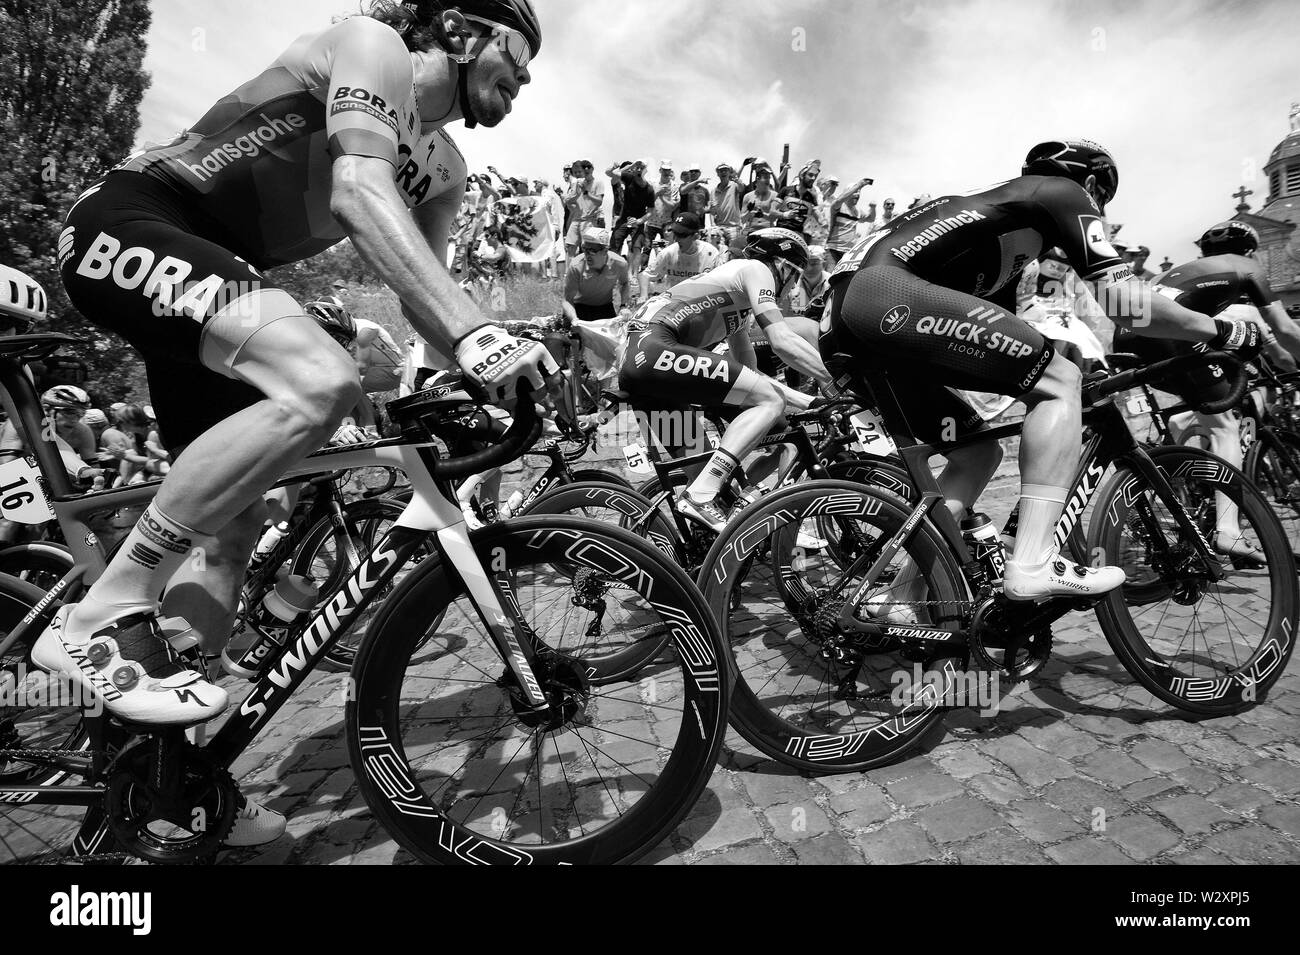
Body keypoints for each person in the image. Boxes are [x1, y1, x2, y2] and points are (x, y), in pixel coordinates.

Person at [38, 0, 555, 847]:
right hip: (133, 219)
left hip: (217, 278)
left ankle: (172, 781)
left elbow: (420, 286)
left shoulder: (448, 167)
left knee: (232, 530)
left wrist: (479, 371)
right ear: (459, 30)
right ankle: (104, 609)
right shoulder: (372, 45)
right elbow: (357, 191)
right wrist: (476, 334)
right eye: (517, 50)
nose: (526, 76)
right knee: (322, 377)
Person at [821, 139, 1267, 606]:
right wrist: (1224, 331)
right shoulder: (1060, 190)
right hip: (886, 295)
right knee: (1060, 383)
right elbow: (1127, 306)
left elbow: (996, 337)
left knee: (977, 455)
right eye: (1102, 202)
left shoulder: (1002, 228)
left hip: (845, 325)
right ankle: (1033, 560)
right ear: (1092, 184)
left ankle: (897, 597)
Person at [1112, 220, 1300, 559]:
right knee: (1227, 425)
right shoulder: (1247, 267)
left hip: (1131, 333)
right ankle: (1229, 531)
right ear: (1251, 251)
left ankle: (1182, 479)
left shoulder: (1194, 270)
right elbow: (1284, 332)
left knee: (1197, 412)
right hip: (1170, 332)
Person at [620, 228, 830, 530]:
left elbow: (753, 375)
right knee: (769, 403)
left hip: (643, 371)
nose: (793, 288)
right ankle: (701, 494)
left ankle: (700, 550)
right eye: (795, 277)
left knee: (703, 468)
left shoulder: (735, 303)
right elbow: (781, 339)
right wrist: (834, 382)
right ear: (783, 266)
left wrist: (810, 401)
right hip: (654, 350)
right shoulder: (756, 269)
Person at [640, 212, 719, 298]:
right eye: (675, 233)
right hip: (674, 303)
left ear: (696, 236)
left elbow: (721, 283)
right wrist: (643, 296)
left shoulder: (711, 254)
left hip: (702, 303)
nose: (676, 239)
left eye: (682, 235)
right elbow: (644, 275)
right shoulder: (668, 253)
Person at [563, 226, 630, 321]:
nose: (587, 254)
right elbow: (567, 300)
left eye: (592, 251)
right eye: (584, 249)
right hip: (579, 307)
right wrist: (574, 319)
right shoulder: (576, 265)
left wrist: (624, 306)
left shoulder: (619, 263)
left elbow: (625, 283)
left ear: (605, 251)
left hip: (604, 308)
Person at [563, 158, 605, 257]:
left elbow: (599, 202)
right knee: (569, 247)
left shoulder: (598, 183)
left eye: (588, 167)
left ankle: (586, 271)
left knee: (587, 248)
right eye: (575, 172)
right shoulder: (577, 184)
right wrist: (577, 193)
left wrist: (586, 192)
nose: (586, 169)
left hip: (589, 220)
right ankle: (571, 272)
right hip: (576, 219)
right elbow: (569, 201)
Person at [826, 177, 872, 265]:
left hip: (848, 253)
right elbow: (840, 199)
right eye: (855, 192)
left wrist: (872, 208)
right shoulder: (838, 206)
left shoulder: (857, 211)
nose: (857, 194)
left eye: (859, 192)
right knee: (829, 276)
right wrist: (859, 185)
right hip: (833, 250)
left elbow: (870, 219)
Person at [709, 162, 744, 251]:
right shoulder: (713, 191)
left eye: (725, 170)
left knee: (734, 253)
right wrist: (713, 225)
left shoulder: (734, 185)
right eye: (721, 171)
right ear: (717, 174)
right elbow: (712, 210)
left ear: (729, 172)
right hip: (719, 227)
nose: (723, 172)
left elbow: (741, 188)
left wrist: (739, 181)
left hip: (734, 227)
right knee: (719, 253)